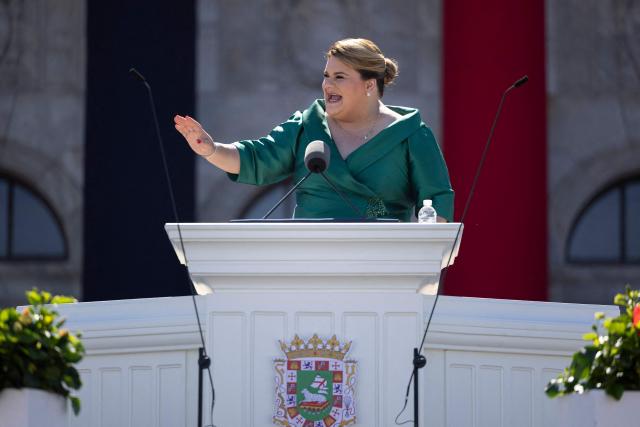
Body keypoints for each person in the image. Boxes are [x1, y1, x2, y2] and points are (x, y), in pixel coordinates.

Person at [174, 38, 453, 222]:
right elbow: (255, 159)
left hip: (384, 262)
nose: (327, 85)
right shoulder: (308, 126)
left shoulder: (411, 134)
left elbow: (438, 200)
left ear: (369, 85)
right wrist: (211, 149)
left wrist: (428, 253)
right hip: (310, 258)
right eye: (326, 76)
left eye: (339, 77)